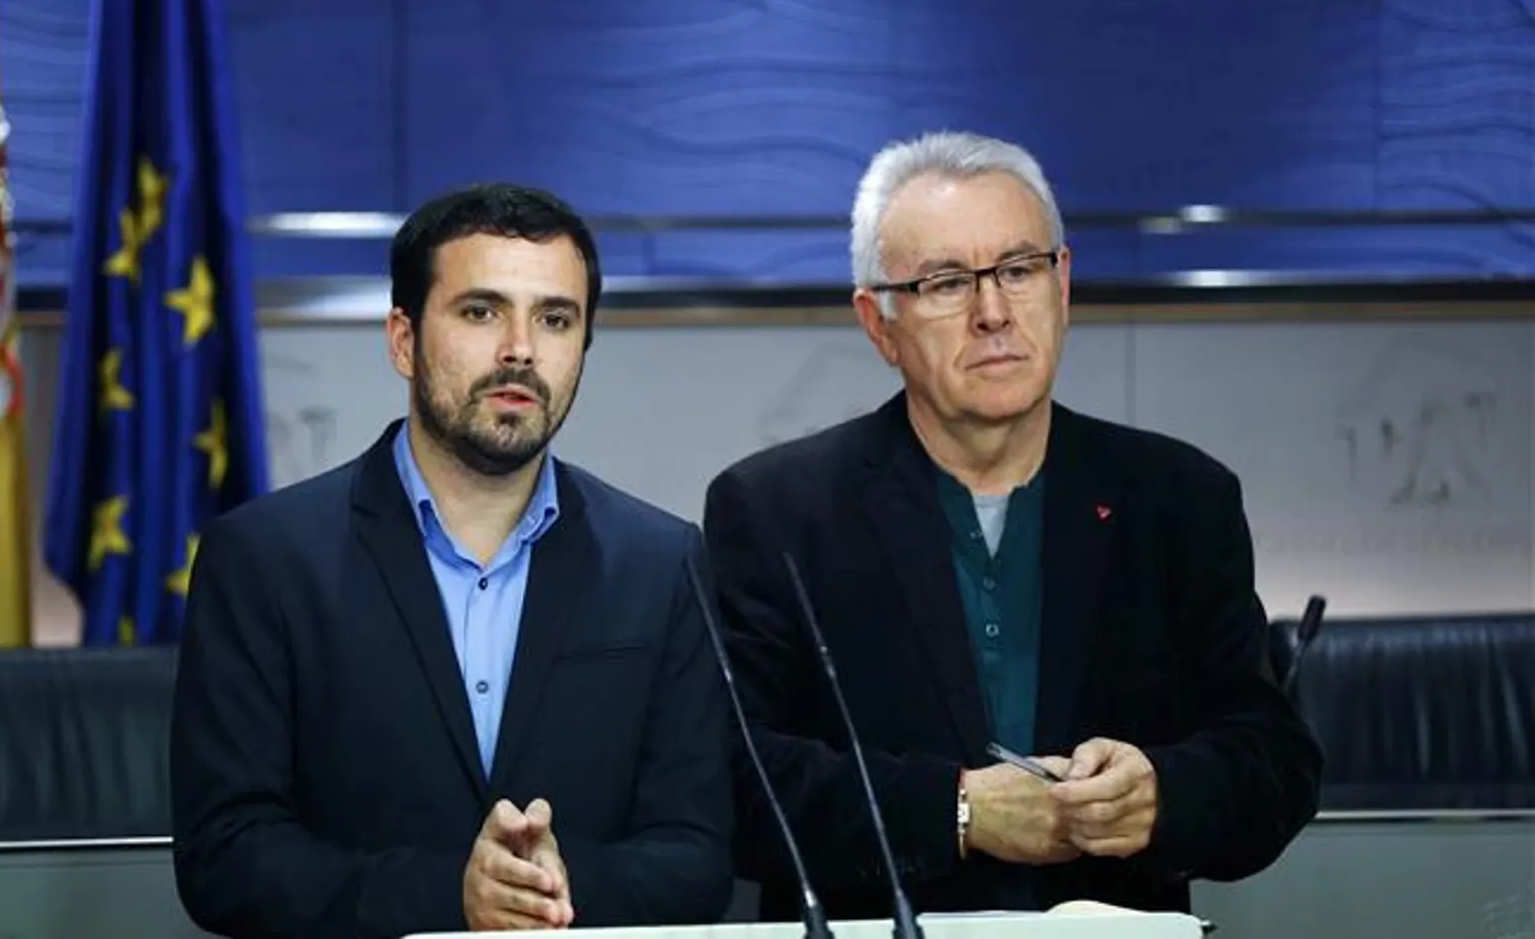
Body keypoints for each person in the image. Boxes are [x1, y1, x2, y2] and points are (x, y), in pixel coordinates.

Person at [704, 131, 1322, 916]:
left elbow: (1274, 760)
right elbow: (732, 780)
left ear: (1062, 285)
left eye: (1019, 269)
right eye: (946, 282)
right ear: (878, 322)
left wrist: (1161, 795)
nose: (993, 312)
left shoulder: (1178, 499)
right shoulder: (777, 511)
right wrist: (958, 810)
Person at [171, 183, 734, 939]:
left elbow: (698, 856)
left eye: (555, 319)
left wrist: (556, 886)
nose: (521, 349)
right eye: (481, 311)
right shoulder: (265, 560)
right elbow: (225, 857)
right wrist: (451, 896)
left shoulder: (662, 563)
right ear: (403, 339)